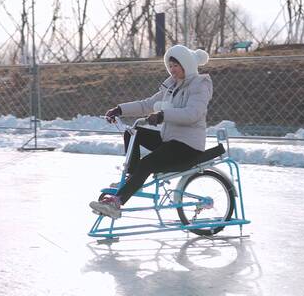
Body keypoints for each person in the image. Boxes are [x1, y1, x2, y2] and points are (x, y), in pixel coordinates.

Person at [90, 45, 213, 219]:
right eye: (170, 66)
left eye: (175, 66)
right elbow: (147, 104)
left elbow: (193, 114)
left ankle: (117, 202)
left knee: (147, 163)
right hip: (169, 140)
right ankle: (132, 180)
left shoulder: (199, 85)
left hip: (188, 146)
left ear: (186, 65)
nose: (172, 70)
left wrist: (163, 115)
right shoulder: (172, 86)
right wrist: (119, 109)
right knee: (133, 133)